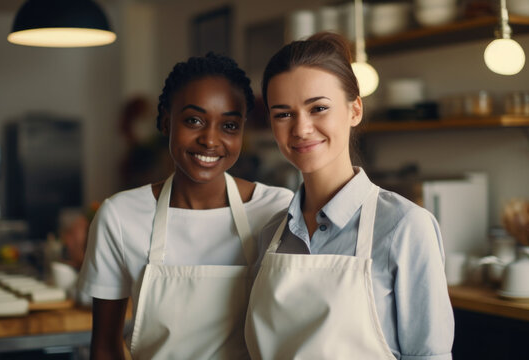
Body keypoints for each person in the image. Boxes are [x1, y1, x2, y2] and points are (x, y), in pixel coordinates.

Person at [244, 32, 454, 360]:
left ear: (354, 110)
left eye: (318, 108)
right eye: (283, 114)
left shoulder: (405, 227)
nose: (300, 128)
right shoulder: (271, 234)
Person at [78, 53, 293, 360]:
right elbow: (105, 349)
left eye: (229, 125)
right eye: (194, 120)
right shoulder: (119, 216)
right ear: (166, 121)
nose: (210, 139)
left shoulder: (277, 209)